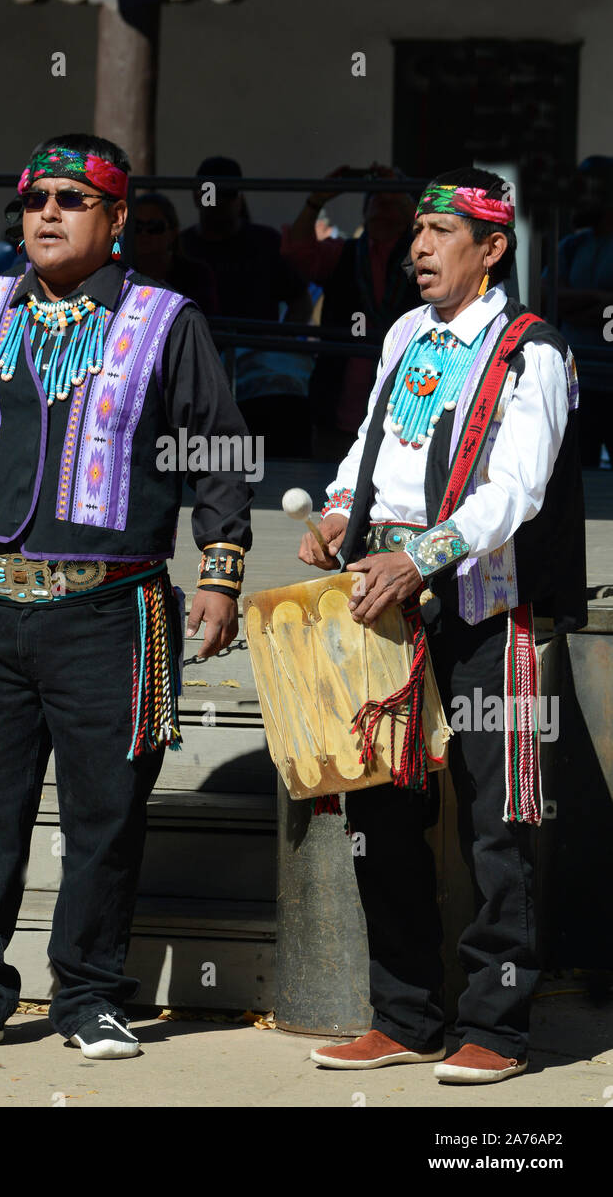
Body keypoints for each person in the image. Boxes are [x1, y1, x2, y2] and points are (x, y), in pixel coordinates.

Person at [0, 132, 252, 1060]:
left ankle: (87, 997)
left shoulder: (165, 320)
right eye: (35, 199)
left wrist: (222, 570)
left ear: (115, 222)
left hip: (111, 611)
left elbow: (219, 447)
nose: (45, 213)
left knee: (104, 815)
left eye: (72, 201)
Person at [298, 166, 585, 1084]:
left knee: (496, 823)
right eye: (416, 229)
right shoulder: (405, 334)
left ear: (492, 247)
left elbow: (515, 490)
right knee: (380, 808)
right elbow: (372, 441)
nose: (419, 247)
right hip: (384, 599)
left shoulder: (530, 352)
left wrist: (417, 557)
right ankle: (404, 1014)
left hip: (481, 605)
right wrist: (343, 507)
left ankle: (495, 1029)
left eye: (442, 231)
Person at [282, 163, 420, 460]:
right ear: (364, 211)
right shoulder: (343, 252)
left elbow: (443, 251)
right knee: (328, 491)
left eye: (391, 203)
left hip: (404, 409)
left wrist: (405, 201)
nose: (381, 210)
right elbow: (297, 252)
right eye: (375, 201)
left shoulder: (421, 254)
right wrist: (316, 200)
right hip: (339, 405)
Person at [181, 155, 314, 455]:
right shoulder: (183, 247)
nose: (219, 202)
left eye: (229, 194)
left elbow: (300, 300)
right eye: (211, 193)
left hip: (261, 371)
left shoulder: (265, 241)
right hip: (199, 364)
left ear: (241, 197)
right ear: (196, 196)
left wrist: (278, 342)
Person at [550, 155, 613, 467]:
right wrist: (600, 297)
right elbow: (551, 297)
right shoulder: (572, 245)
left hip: (609, 377)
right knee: (578, 473)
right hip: (577, 383)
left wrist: (580, 304)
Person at [132, 190, 220, 316]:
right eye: (137, 226)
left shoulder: (196, 276)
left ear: (173, 232)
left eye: (154, 226)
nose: (144, 234)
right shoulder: (121, 273)